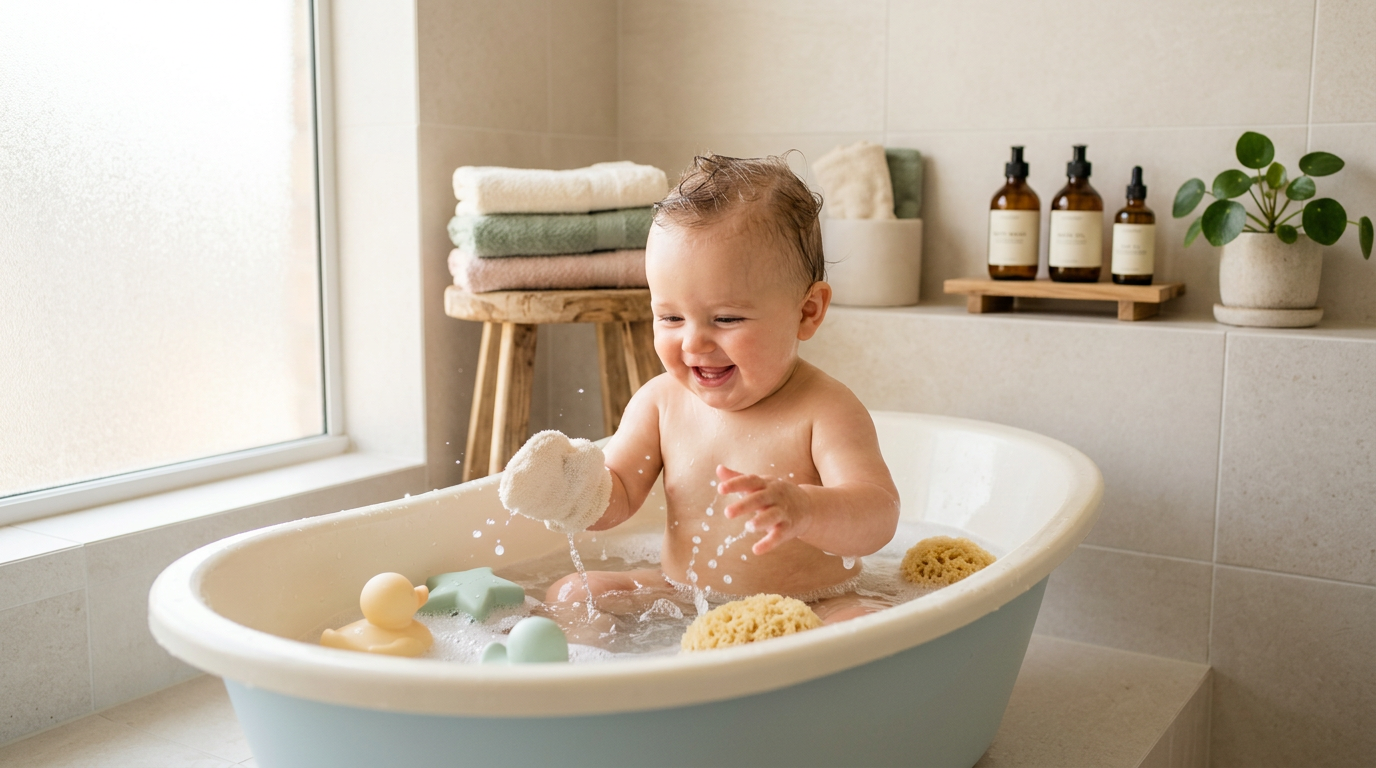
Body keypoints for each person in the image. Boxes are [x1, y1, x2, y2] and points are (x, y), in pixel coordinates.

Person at [500, 154, 900, 631]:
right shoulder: (660, 402)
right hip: (684, 595)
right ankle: (597, 690)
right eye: (670, 317)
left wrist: (804, 508)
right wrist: (570, 491)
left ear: (807, 312)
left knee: (861, 627)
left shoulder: (825, 410)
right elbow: (620, 495)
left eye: (726, 318)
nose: (693, 342)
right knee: (572, 593)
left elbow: (878, 516)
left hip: (811, 605)